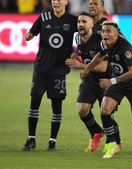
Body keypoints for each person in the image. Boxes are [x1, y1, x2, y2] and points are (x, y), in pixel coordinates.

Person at [81, 20, 132, 159]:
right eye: (103, 31)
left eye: (108, 31)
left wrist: (111, 81)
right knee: (104, 110)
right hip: (118, 83)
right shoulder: (104, 44)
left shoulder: (125, 47)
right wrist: (87, 69)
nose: (105, 34)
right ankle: (112, 144)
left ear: (116, 34)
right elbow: (99, 55)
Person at [22, 0, 77, 151]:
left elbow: (84, 36)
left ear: (66, 2)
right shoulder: (44, 17)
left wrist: (76, 52)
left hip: (59, 70)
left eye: (59, 0)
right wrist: (28, 35)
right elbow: (32, 32)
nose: (56, 2)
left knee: (56, 106)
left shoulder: (73, 20)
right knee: (34, 103)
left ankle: (52, 141)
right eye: (54, 0)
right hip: (40, 68)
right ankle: (31, 138)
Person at [66, 11, 122, 153]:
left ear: (92, 25)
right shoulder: (78, 38)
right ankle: (96, 132)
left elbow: (103, 66)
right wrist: (76, 54)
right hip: (89, 80)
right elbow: (81, 50)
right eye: (79, 22)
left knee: (107, 114)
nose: (80, 24)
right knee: (82, 110)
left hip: (105, 80)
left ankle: (117, 141)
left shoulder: (101, 41)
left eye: (84, 22)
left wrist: (80, 66)